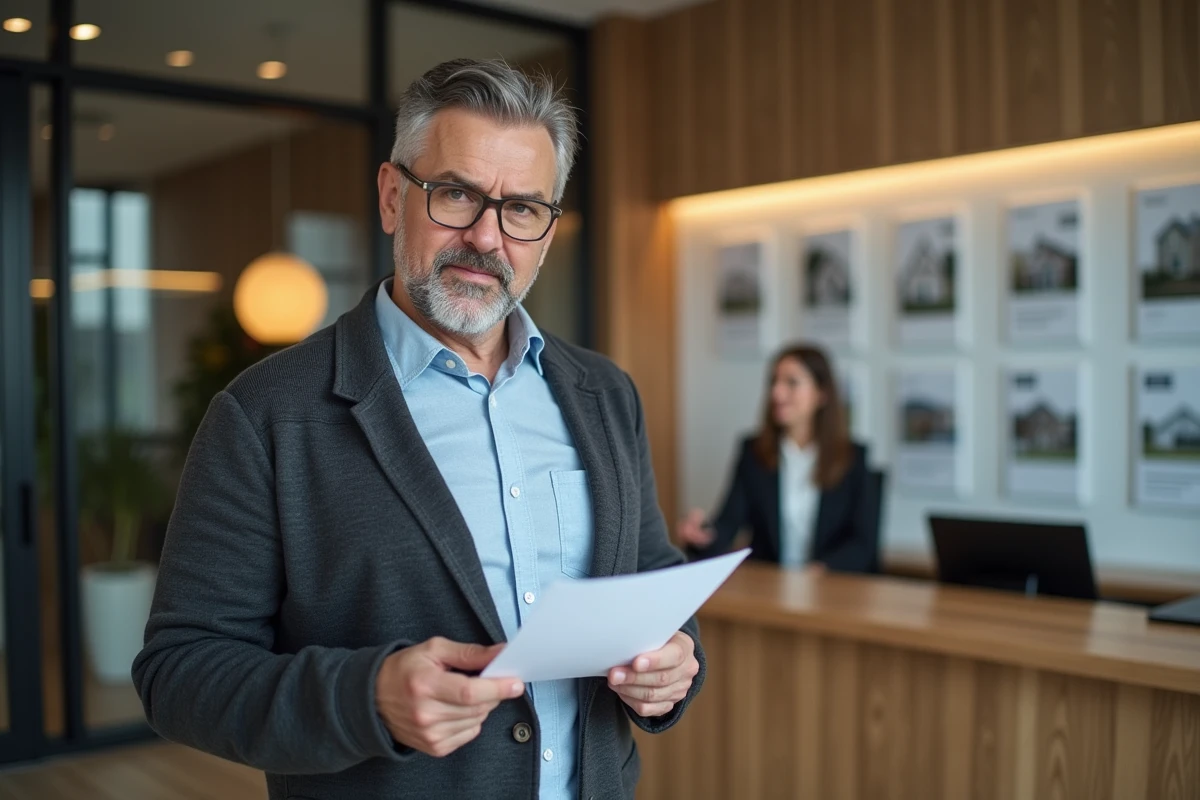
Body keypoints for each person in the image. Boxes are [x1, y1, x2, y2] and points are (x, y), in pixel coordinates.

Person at [134, 59, 703, 800]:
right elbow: (179, 671)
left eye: (523, 209)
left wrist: (676, 660)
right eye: (457, 195)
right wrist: (366, 697)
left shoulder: (604, 394)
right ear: (392, 196)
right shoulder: (265, 415)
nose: (488, 238)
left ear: (549, 228)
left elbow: (654, 580)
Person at [678, 344, 879, 574]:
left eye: (791, 383)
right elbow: (727, 526)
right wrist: (701, 535)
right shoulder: (753, 452)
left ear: (821, 394)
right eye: (774, 381)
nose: (777, 393)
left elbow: (863, 545)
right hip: (770, 590)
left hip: (831, 590)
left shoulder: (853, 458)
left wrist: (818, 571)